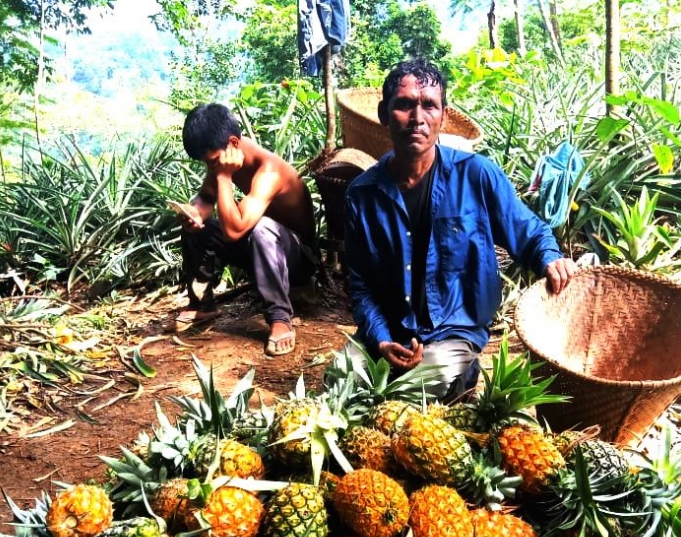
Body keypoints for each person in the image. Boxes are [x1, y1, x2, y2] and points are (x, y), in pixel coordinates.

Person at [343, 59, 578, 401]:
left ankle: (460, 375)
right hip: (390, 329)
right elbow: (361, 286)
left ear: (442, 116)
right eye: (404, 105)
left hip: (452, 331)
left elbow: (526, 229)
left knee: (416, 390)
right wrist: (380, 339)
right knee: (343, 376)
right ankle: (427, 378)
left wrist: (551, 258)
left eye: (429, 106)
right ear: (384, 114)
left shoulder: (477, 175)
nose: (417, 117)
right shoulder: (362, 194)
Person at [175, 103, 318, 356]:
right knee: (198, 229)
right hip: (261, 252)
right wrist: (195, 213)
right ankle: (202, 304)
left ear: (233, 143)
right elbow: (206, 198)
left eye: (213, 162)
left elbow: (234, 231)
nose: (212, 168)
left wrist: (223, 177)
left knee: (262, 228)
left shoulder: (269, 171)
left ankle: (280, 318)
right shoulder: (227, 155)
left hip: (298, 260)